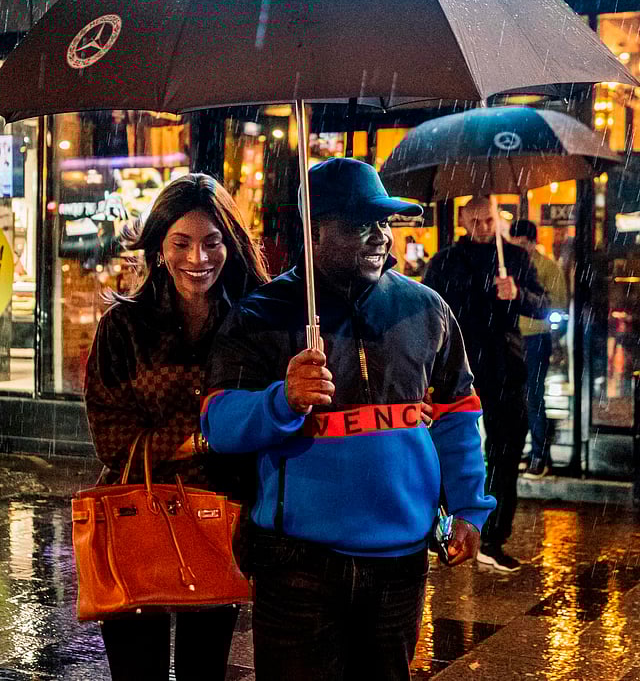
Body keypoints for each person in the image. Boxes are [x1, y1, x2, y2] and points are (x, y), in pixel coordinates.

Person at [201, 158, 495, 681]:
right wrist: (281, 400)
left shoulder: (425, 309)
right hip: (296, 567)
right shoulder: (259, 314)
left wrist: (470, 507)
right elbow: (219, 425)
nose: (381, 235)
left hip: (401, 568)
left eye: (384, 222)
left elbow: (457, 414)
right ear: (313, 230)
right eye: (362, 223)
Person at [84, 172, 269, 681]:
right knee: (136, 670)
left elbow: (265, 418)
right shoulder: (124, 327)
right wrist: (203, 434)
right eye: (181, 243)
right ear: (158, 248)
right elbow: (111, 438)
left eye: (212, 243)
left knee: (203, 672)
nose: (198, 259)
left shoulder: (251, 325)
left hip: (221, 525)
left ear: (230, 244)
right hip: (136, 522)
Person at [423, 196, 548, 574]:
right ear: (463, 220)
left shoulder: (515, 258)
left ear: (498, 219)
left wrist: (517, 294)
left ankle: (493, 535)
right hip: (455, 368)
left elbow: (543, 305)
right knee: (447, 447)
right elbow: (428, 310)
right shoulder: (445, 261)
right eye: (475, 220)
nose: (482, 226)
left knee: (506, 448)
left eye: (489, 219)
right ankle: (445, 527)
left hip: (504, 365)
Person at [510, 219, 568, 479]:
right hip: (512, 337)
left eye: (523, 244)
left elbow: (557, 304)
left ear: (533, 243)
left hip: (535, 338)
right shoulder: (508, 265)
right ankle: (523, 449)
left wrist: (525, 296)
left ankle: (538, 455)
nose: (520, 249)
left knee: (533, 396)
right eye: (515, 244)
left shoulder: (547, 267)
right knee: (514, 398)